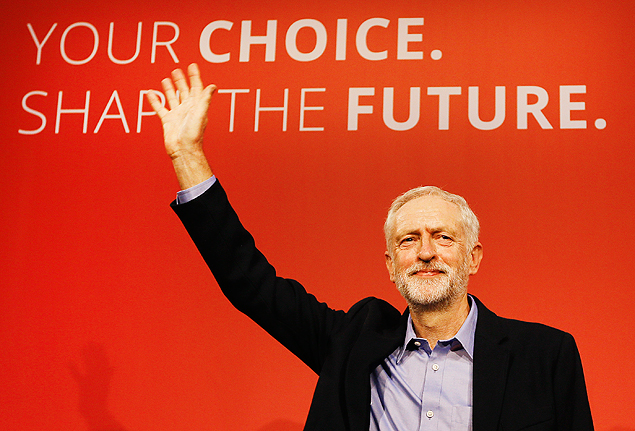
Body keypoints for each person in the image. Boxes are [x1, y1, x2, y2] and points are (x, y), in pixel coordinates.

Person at [147, 64, 594, 431]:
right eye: (408, 240)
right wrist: (187, 154)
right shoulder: (352, 342)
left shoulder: (545, 355)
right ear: (390, 263)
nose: (425, 252)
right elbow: (250, 282)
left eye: (442, 237)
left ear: (473, 257)